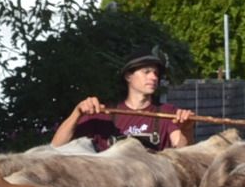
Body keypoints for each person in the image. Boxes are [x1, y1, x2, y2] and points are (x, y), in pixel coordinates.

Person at [52, 49, 195, 149]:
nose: (154, 77)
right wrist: (77, 113)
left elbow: (182, 152)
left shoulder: (167, 113)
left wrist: (186, 130)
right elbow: (56, 146)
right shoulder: (104, 114)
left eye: (156, 73)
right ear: (128, 76)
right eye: (146, 72)